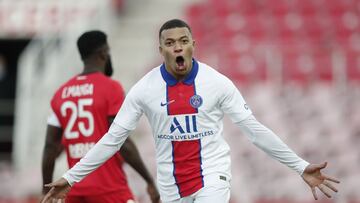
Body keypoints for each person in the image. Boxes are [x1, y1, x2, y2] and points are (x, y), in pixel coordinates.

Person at [42, 19, 340, 203]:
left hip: (212, 176)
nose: (178, 48)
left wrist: (300, 166)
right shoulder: (144, 89)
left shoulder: (216, 83)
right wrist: (70, 178)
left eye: (183, 41)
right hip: (171, 186)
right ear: (161, 49)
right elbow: (112, 140)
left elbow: (255, 131)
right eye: (170, 43)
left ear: (193, 45)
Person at [41, 30, 160, 203]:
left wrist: (45, 189)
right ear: (104, 53)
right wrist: (149, 180)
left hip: (72, 189)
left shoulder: (61, 94)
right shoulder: (111, 88)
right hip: (109, 188)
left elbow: (50, 146)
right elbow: (123, 143)